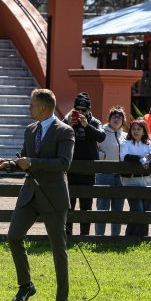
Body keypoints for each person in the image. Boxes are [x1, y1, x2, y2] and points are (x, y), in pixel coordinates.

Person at [0, 88, 74, 301]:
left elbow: (64, 164)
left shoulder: (65, 131)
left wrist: (33, 163)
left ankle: (62, 298)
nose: (29, 107)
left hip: (53, 196)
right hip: (29, 195)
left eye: (32, 104)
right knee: (13, 236)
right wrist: (5, 165)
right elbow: (22, 161)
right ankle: (26, 285)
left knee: (58, 248)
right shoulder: (30, 130)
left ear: (44, 108)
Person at [63, 92, 105, 235]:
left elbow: (101, 137)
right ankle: (67, 236)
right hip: (70, 169)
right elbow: (57, 136)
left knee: (86, 206)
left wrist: (86, 126)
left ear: (89, 110)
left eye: (84, 110)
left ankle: (85, 236)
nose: (80, 113)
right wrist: (68, 125)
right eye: (77, 109)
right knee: (68, 205)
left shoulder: (94, 122)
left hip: (88, 170)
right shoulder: (67, 120)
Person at [120, 119, 151, 237]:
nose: (136, 131)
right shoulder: (125, 143)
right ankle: (130, 237)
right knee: (137, 210)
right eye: (133, 129)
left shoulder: (148, 143)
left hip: (146, 180)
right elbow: (124, 157)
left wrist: (150, 157)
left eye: (139, 129)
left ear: (144, 132)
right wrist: (141, 159)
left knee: (146, 210)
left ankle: (143, 238)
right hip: (130, 181)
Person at [95, 106, 127, 236]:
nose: (117, 118)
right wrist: (103, 157)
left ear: (123, 121)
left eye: (120, 117)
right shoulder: (101, 133)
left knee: (118, 209)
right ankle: (99, 237)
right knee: (102, 207)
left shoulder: (125, 136)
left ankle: (115, 238)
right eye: (114, 116)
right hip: (104, 174)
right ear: (109, 119)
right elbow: (94, 150)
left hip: (120, 176)